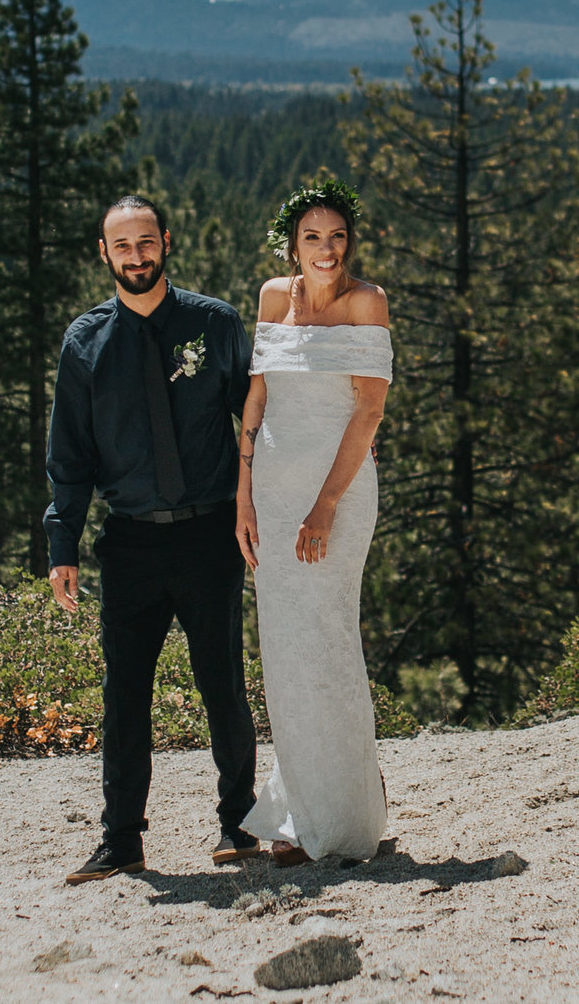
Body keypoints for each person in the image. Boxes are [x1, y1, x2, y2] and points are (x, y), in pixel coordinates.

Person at [47, 195, 264, 884]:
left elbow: (257, 423)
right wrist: (63, 544)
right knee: (124, 694)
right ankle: (121, 839)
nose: (136, 255)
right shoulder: (84, 342)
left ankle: (239, 821)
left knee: (222, 683)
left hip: (209, 535)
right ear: (104, 253)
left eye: (146, 241)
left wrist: (267, 504)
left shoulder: (215, 322)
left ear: (166, 241)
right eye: (123, 245)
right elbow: (70, 454)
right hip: (129, 542)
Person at [236, 175, 393, 864]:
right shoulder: (274, 296)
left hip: (338, 491)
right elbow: (258, 392)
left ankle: (348, 819)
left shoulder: (368, 302)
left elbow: (369, 412)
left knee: (328, 641)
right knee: (284, 650)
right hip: (270, 493)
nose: (325, 249)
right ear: (291, 243)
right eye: (311, 237)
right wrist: (242, 487)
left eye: (335, 236)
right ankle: (299, 811)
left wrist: (325, 503)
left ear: (348, 241)